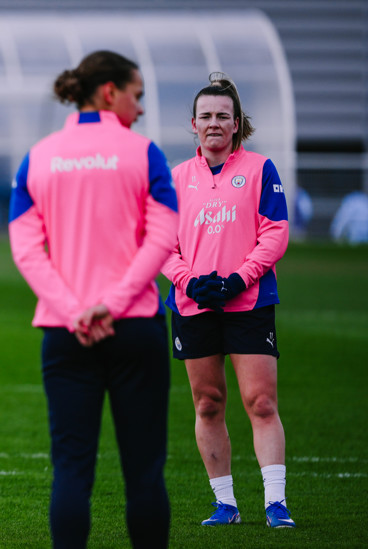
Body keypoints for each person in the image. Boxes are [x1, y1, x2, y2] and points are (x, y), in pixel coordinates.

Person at [8, 50, 178, 548]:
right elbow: (163, 238)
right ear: (110, 92)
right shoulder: (144, 152)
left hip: (65, 333)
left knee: (71, 473)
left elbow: (25, 249)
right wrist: (115, 303)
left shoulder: (38, 156)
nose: (140, 108)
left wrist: (75, 308)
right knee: (144, 473)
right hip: (135, 329)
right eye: (136, 95)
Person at [162, 73, 294, 529]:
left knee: (260, 402)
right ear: (193, 124)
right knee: (208, 404)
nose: (214, 123)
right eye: (206, 116)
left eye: (223, 116)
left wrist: (240, 278)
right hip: (193, 304)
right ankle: (226, 504)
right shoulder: (176, 177)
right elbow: (160, 242)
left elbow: (275, 233)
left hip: (249, 302)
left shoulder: (261, 169)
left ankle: (275, 503)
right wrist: (188, 281)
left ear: (237, 124)